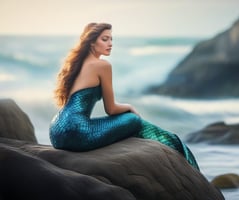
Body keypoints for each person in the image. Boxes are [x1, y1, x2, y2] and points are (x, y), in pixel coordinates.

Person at [49, 22, 199, 171]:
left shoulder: (76, 65)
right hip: (76, 131)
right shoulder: (102, 66)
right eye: (105, 39)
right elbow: (111, 109)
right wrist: (129, 106)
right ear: (92, 42)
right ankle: (173, 145)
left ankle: (169, 142)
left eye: (111, 39)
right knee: (133, 119)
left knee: (130, 120)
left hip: (56, 130)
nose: (110, 43)